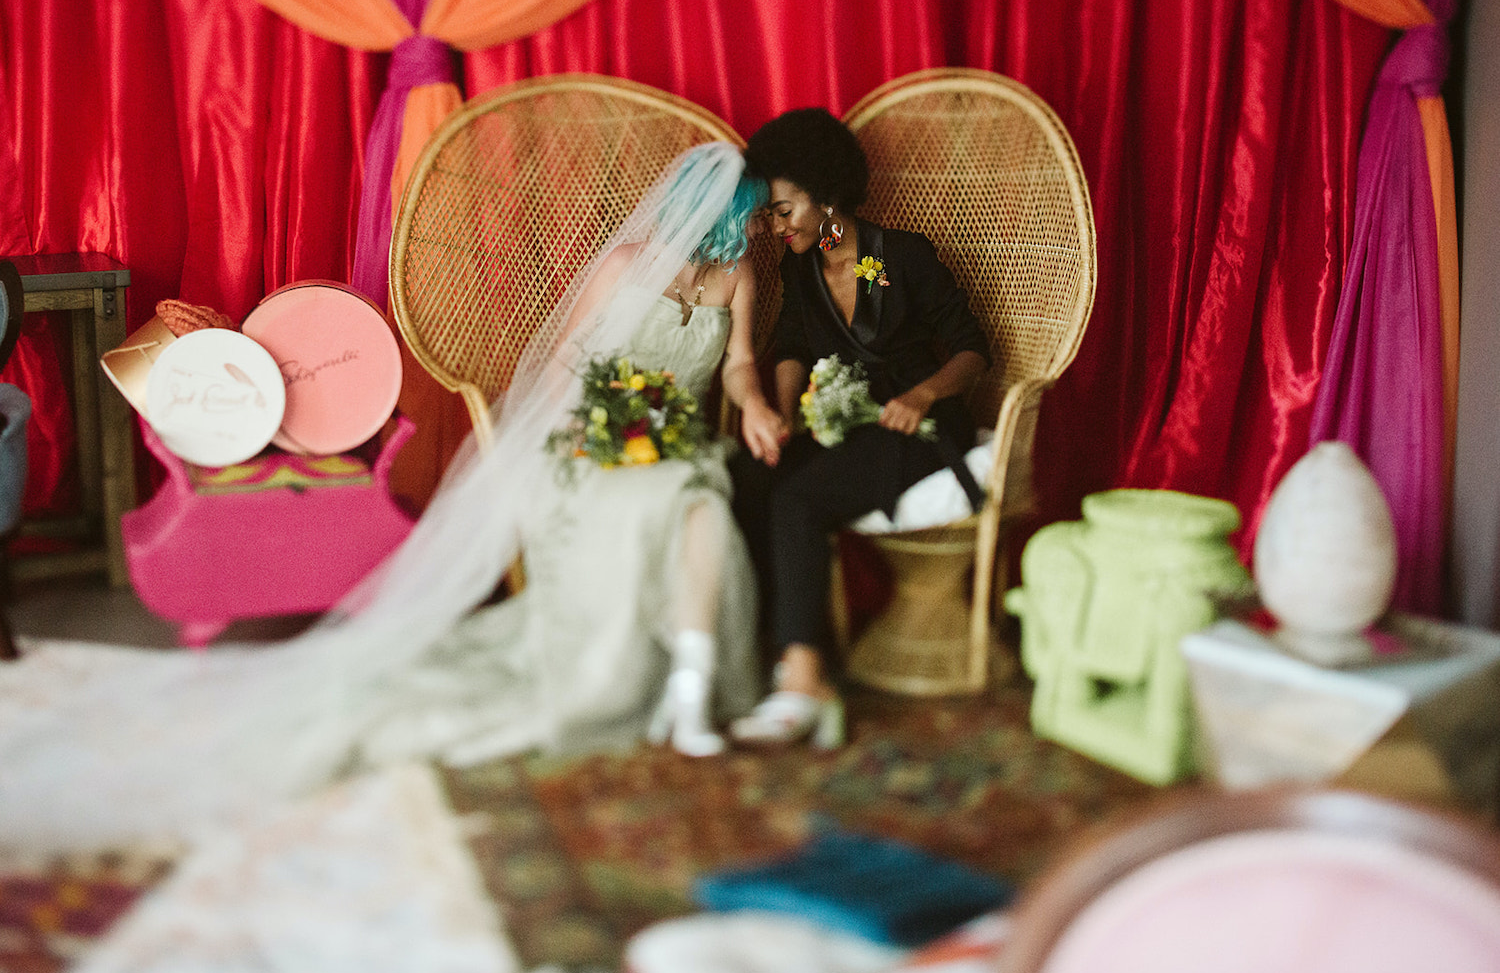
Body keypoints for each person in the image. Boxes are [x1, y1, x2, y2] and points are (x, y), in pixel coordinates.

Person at [0, 143, 772, 850]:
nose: (756, 228)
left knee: (691, 492)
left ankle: (687, 688)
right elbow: (569, 358)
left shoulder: (736, 277)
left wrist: (757, 400)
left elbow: (736, 365)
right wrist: (589, 433)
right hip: (591, 437)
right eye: (749, 214)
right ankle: (686, 689)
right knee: (684, 498)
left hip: (673, 441)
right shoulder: (626, 264)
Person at [729, 108, 991, 747]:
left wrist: (923, 394)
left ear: (828, 195)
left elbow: (972, 349)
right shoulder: (807, 263)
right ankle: (769, 649)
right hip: (845, 423)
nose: (773, 226)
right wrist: (786, 410)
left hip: (921, 430)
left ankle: (804, 680)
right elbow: (791, 341)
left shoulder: (897, 256)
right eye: (766, 214)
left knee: (800, 498)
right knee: (746, 476)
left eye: (783, 210)